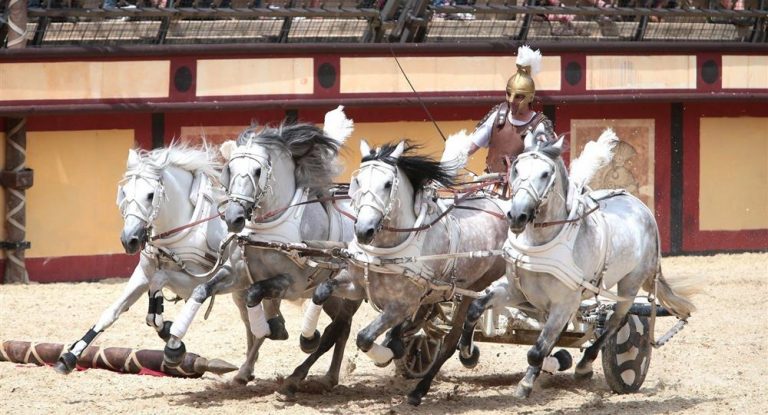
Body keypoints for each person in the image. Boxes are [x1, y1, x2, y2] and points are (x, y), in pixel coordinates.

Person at [466, 45, 556, 175]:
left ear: (530, 98)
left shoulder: (539, 125)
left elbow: (546, 165)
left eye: (519, 97)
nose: (511, 101)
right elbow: (470, 147)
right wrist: (448, 164)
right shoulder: (498, 116)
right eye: (509, 94)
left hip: (521, 190)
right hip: (490, 185)